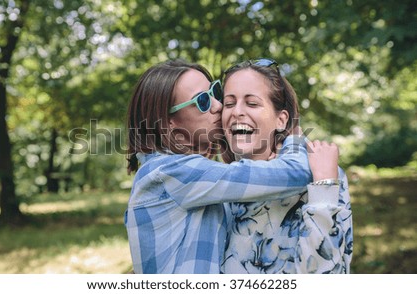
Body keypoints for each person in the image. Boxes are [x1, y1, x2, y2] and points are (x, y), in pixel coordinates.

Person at [124, 59, 340, 274]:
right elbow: (294, 173)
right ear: (169, 122)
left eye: (214, 92)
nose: (218, 106)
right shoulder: (172, 173)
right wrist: (293, 138)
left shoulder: (191, 180)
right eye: (202, 101)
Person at [219, 59, 353, 274]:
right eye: (229, 103)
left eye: (252, 103)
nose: (237, 112)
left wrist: (324, 188)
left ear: (281, 120)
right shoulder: (216, 182)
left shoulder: (320, 175)